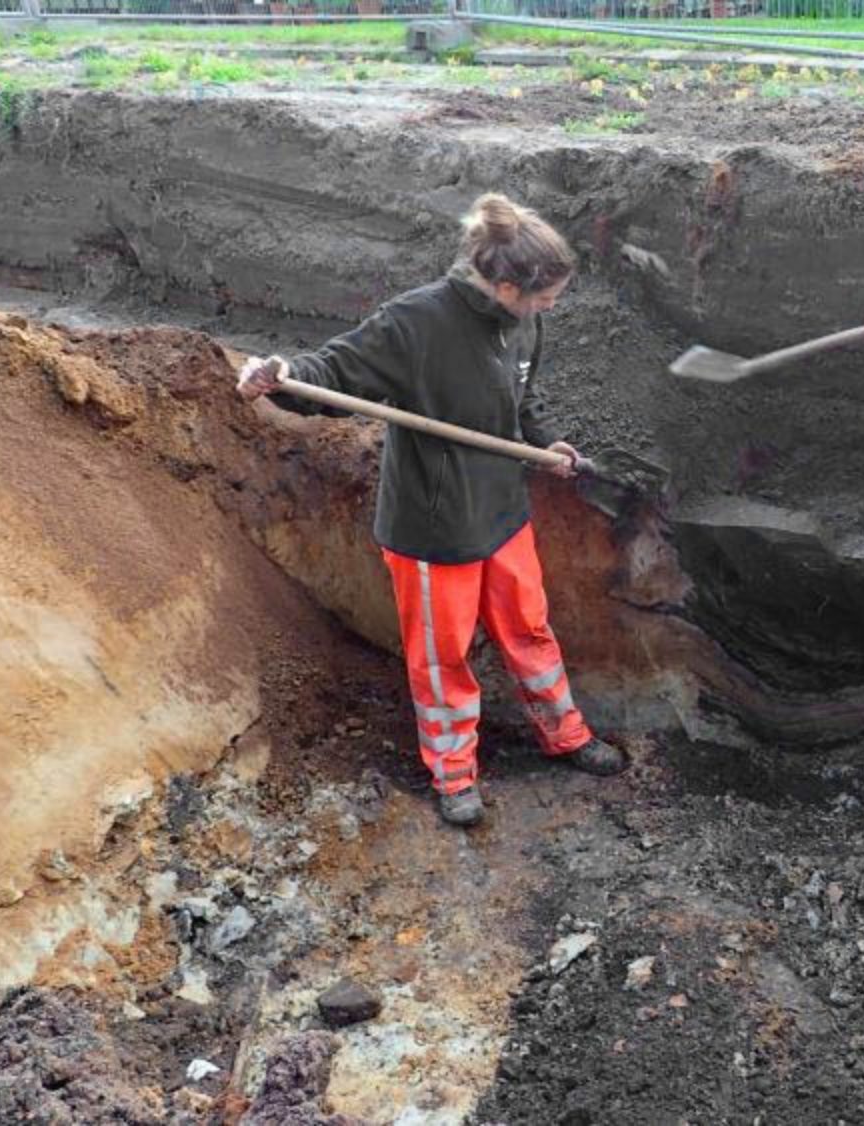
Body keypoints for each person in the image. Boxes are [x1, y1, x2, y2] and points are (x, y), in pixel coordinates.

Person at [235, 193, 628, 828]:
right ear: (504, 286)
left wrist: (541, 443)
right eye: (545, 295)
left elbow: (516, 404)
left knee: (529, 632)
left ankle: (567, 735)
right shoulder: (416, 322)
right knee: (445, 658)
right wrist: (280, 375)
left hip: (502, 509)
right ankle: (453, 775)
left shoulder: (523, 321)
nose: (553, 305)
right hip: (433, 527)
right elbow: (331, 372)